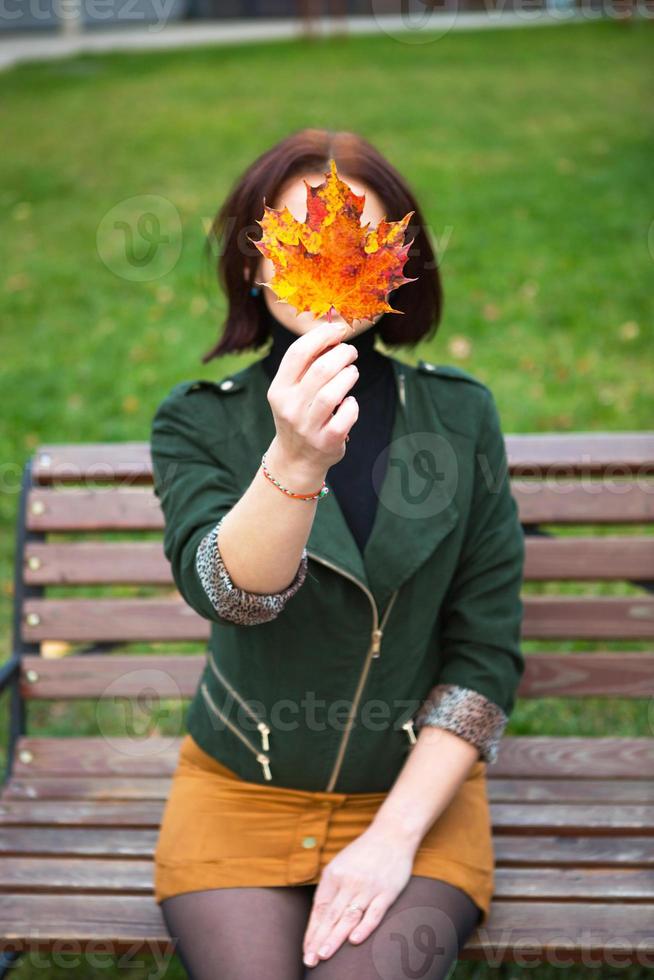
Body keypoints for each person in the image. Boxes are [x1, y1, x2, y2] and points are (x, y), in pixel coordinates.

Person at [150, 127, 525, 980]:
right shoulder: (198, 420)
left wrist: (393, 837)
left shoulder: (462, 418)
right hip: (240, 792)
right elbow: (230, 593)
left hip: (415, 801)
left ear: (400, 263)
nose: (328, 256)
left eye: (359, 235)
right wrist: (294, 460)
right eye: (298, 238)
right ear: (254, 262)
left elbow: (486, 654)